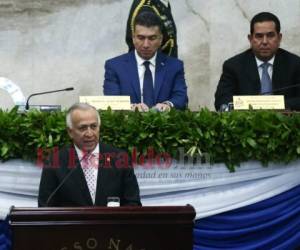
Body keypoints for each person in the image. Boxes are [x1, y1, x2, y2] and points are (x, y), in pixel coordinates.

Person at [38, 103, 141, 207]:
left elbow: (133, 204)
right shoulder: (54, 162)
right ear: (70, 132)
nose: (89, 133)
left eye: (93, 126)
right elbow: (45, 207)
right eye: (82, 128)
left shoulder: (120, 158)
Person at [104, 11, 188, 112]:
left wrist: (167, 105)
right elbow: (112, 100)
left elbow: (181, 98)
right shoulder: (115, 66)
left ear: (160, 39)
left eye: (152, 38)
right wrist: (131, 108)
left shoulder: (175, 66)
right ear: (133, 38)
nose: (146, 45)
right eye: (141, 38)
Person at [214, 12, 300, 111]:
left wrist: (278, 105)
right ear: (250, 39)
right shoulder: (233, 66)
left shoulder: (295, 64)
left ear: (279, 38)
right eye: (259, 36)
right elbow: (222, 100)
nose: (264, 42)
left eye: (270, 35)